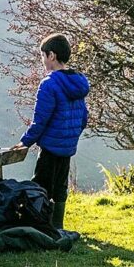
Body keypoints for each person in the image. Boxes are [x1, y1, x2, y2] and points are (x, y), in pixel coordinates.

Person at [12, 33, 89, 229]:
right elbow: (83, 118)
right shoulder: (78, 82)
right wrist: (70, 136)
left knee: (41, 186)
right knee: (60, 187)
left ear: (52, 56)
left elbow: (40, 121)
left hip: (50, 146)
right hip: (68, 146)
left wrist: (25, 142)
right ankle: (58, 225)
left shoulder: (49, 84)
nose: (43, 61)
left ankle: (40, 225)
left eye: (43, 56)